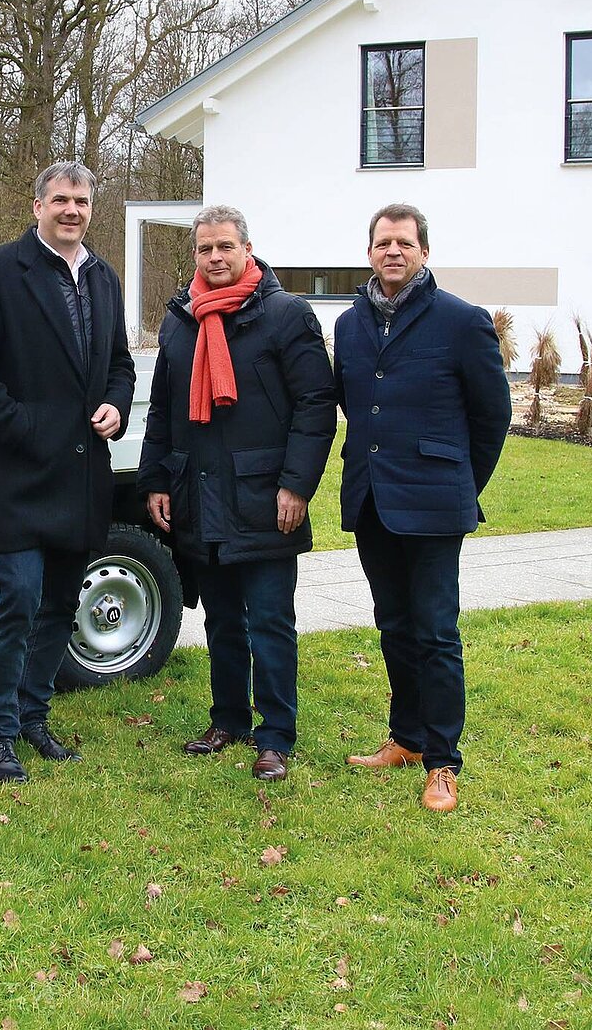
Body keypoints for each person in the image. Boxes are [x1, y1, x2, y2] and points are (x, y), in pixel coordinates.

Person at [0, 160, 136, 785]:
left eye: (81, 201)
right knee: (18, 603)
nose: (72, 210)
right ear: (38, 206)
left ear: (91, 210)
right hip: (22, 473)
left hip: (83, 475)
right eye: (60, 200)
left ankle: (33, 718)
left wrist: (117, 402)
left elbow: (119, 364)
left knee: (59, 604)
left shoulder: (105, 279)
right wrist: (22, 427)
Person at [139, 206, 334, 781]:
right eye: (205, 249)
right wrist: (154, 479)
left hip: (265, 497)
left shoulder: (286, 316)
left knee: (270, 621)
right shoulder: (180, 319)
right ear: (194, 254)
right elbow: (165, 411)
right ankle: (228, 718)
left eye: (225, 246)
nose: (215, 258)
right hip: (198, 494)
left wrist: (297, 485)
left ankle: (275, 734)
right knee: (222, 619)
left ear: (247, 248)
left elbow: (316, 406)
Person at [334, 203, 510, 812]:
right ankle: (405, 738)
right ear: (370, 252)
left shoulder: (462, 322)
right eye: (383, 242)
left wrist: (461, 482)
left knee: (435, 632)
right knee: (394, 627)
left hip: (434, 503)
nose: (393, 252)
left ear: (424, 252)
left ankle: (442, 761)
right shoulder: (351, 324)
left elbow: (492, 418)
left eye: (404, 243)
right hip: (373, 500)